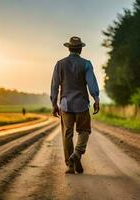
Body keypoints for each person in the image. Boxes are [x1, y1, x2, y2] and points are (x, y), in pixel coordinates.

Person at [50, 36, 100, 174]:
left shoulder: (60, 64)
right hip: (82, 103)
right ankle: (77, 153)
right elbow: (91, 83)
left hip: (66, 104)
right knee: (84, 130)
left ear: (69, 48)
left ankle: (70, 166)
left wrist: (54, 103)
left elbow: (55, 86)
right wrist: (96, 99)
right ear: (81, 49)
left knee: (67, 134)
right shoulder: (86, 64)